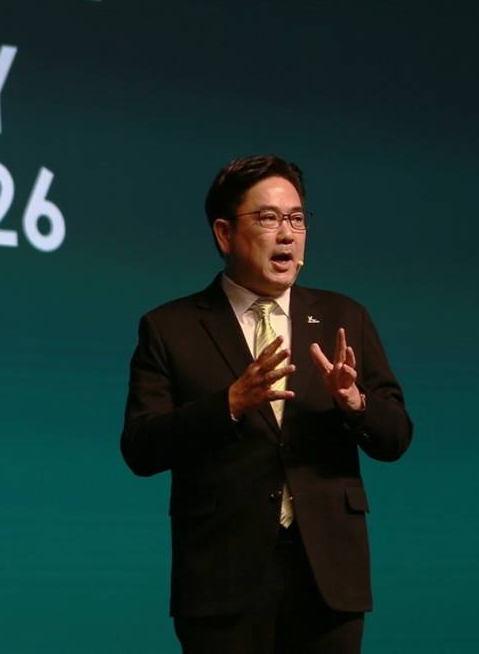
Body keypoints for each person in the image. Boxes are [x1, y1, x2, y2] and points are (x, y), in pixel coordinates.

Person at [121, 155, 412, 654]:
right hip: (222, 580)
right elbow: (140, 448)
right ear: (224, 234)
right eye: (268, 218)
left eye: (296, 219)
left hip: (328, 577)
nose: (287, 234)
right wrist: (228, 405)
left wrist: (355, 402)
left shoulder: (345, 317)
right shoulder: (170, 328)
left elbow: (396, 437)